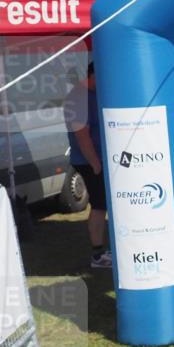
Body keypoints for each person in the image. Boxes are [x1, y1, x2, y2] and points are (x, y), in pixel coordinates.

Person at [63, 62, 110, 268]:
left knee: (104, 205)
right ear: (93, 75)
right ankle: (98, 255)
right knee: (99, 206)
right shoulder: (77, 98)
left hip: (99, 159)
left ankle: (104, 251)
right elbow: (82, 137)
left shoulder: (92, 93)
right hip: (89, 161)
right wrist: (96, 164)